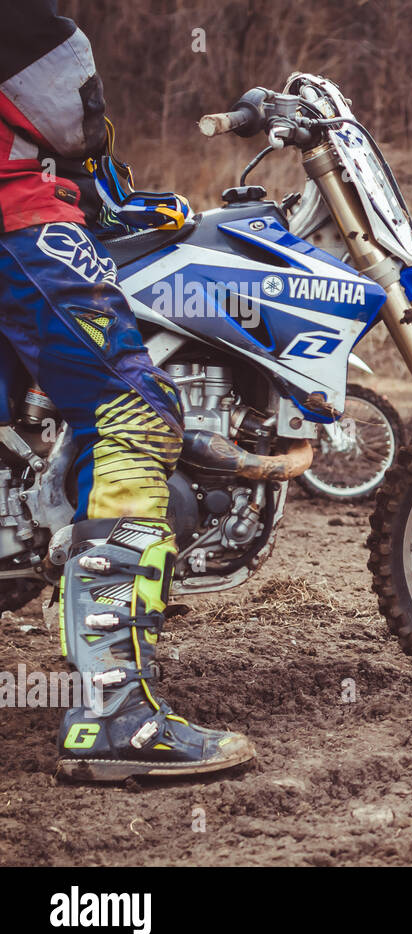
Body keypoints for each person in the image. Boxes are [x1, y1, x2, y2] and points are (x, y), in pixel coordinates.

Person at [1, 1, 256, 780]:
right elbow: (63, 113)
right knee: (136, 418)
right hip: (14, 218)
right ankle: (115, 719)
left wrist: (100, 195)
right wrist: (93, 179)